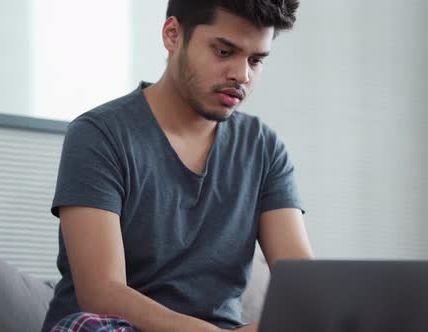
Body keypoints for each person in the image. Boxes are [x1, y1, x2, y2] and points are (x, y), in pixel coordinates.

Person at [41, 1, 313, 331]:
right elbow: (101, 293)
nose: (241, 75)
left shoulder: (264, 149)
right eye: (224, 52)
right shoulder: (98, 135)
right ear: (172, 34)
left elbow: (303, 287)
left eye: (255, 60)